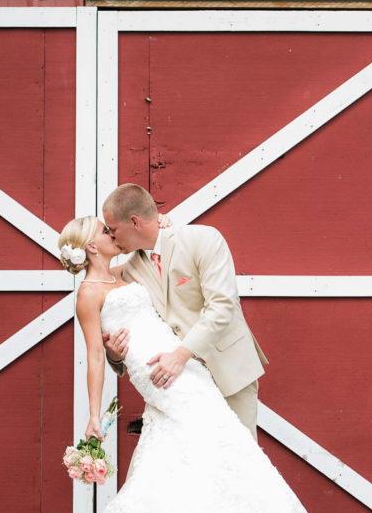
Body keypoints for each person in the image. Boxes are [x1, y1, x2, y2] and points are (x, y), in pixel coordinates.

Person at [58, 215, 317, 513]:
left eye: (113, 228)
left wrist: (163, 224)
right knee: (209, 434)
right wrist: (95, 409)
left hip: (186, 366)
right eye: (106, 232)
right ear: (91, 247)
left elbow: (156, 244)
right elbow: (93, 355)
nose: (112, 234)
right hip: (154, 372)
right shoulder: (88, 294)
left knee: (202, 441)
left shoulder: (126, 272)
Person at [100, 184, 267, 439]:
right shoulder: (131, 271)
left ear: (134, 221)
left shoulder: (203, 239)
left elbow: (223, 306)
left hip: (228, 372)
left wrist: (181, 355)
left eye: (113, 230)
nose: (111, 237)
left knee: (237, 463)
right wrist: (114, 356)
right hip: (180, 387)